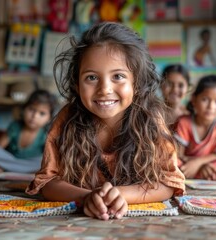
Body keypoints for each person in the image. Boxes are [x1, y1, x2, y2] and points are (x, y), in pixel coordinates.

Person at [25, 22, 185, 220]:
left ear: (137, 83)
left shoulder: (150, 119)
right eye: (91, 78)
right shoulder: (67, 119)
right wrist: (87, 197)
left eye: (118, 76)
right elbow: (47, 183)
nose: (105, 89)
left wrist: (121, 195)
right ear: (76, 84)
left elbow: (169, 183)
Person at [0, 90, 57, 173]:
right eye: (31, 109)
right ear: (24, 109)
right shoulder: (15, 127)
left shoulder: (45, 134)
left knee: (46, 161)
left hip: (31, 163)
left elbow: (49, 157)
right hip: (11, 159)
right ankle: (16, 168)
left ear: (49, 118)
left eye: (42, 113)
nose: (34, 116)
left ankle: (10, 168)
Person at [174, 75, 216, 181]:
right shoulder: (184, 122)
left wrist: (198, 164)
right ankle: (198, 175)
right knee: (173, 162)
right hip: (186, 163)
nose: (211, 106)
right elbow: (179, 154)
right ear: (194, 100)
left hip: (207, 163)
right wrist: (193, 164)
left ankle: (192, 175)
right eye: (205, 99)